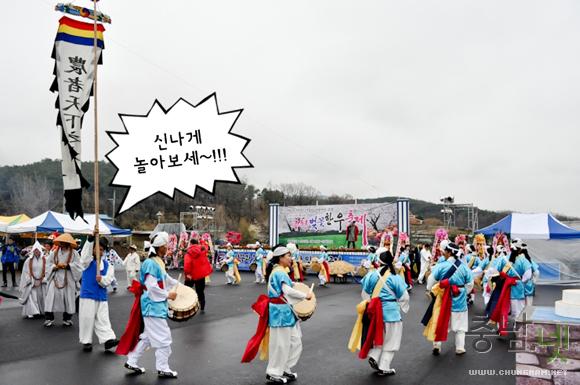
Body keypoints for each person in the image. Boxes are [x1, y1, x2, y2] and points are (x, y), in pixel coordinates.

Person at [241, 245, 312, 384]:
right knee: (280, 344)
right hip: (279, 313)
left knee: (294, 341)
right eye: (288, 256)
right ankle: (273, 372)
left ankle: (284, 368)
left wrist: (297, 286)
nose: (291, 259)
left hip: (284, 312)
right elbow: (288, 291)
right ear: (280, 258)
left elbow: (289, 286)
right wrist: (305, 296)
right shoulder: (279, 272)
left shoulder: (280, 271)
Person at [118, 232, 180, 378]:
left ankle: (132, 361)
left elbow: (167, 279)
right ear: (159, 247)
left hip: (154, 306)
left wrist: (181, 287)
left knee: (147, 337)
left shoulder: (157, 262)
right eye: (165, 245)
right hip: (153, 306)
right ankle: (163, 367)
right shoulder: (150, 263)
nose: (167, 248)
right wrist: (168, 294)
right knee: (163, 337)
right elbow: (151, 286)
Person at [357, 249, 409, 376]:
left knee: (379, 337)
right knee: (391, 341)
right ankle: (384, 366)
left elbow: (365, 293)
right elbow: (404, 297)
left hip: (375, 314)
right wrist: (403, 307)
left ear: (378, 261)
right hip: (392, 314)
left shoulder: (371, 275)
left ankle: (374, 356)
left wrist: (371, 304)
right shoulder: (395, 277)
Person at [423, 242, 473, 355]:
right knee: (460, 326)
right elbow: (470, 284)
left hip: (442, 298)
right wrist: (464, 292)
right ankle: (460, 348)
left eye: (445, 251)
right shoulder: (464, 267)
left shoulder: (441, 266)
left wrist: (430, 290)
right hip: (459, 299)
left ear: (449, 252)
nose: (443, 253)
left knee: (441, 322)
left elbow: (431, 279)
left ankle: (437, 345)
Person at [78, 236, 119, 352]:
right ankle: (86, 341)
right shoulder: (87, 262)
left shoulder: (108, 266)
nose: (98, 251)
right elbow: (84, 257)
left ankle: (108, 340)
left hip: (101, 297)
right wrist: (90, 240)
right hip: (88, 295)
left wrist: (101, 279)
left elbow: (108, 281)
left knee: (103, 319)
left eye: (101, 249)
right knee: (87, 318)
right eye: (96, 249)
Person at [486, 239, 532, 335]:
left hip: (504, 288)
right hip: (517, 287)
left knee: (503, 308)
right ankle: (518, 330)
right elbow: (528, 275)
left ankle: (501, 328)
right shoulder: (524, 261)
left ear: (510, 248)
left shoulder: (503, 259)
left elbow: (494, 271)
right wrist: (520, 281)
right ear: (520, 250)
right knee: (518, 311)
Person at [43, 233, 82, 327]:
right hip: (55, 277)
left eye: (64, 242)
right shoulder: (54, 252)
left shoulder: (74, 253)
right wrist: (54, 267)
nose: (62, 244)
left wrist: (69, 266)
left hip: (68, 278)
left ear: (68, 243)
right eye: (61, 242)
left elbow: (79, 266)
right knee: (50, 297)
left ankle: (67, 318)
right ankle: (49, 318)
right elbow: (48, 264)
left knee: (68, 299)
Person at [19, 241, 47, 319]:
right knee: (31, 297)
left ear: (40, 251)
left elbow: (47, 271)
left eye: (38, 250)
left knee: (41, 297)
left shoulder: (45, 260)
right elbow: (25, 272)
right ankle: (31, 312)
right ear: (33, 251)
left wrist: (43, 280)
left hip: (42, 282)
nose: (36, 252)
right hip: (32, 282)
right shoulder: (28, 260)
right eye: (35, 250)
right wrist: (31, 281)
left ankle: (42, 311)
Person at [184, 238, 213, 313]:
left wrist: (187, 274)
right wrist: (202, 241)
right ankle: (202, 307)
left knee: (186, 290)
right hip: (200, 275)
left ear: (190, 244)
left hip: (191, 275)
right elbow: (206, 246)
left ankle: (186, 306)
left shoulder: (188, 253)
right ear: (197, 243)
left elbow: (187, 265)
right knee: (200, 291)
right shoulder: (202, 250)